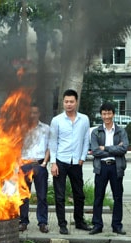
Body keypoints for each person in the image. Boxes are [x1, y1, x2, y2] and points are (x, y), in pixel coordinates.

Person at [49, 89, 91, 235]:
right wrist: (53, 163)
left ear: (76, 102)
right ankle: (62, 224)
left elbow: (86, 139)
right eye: (66, 101)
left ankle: (79, 221)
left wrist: (83, 157)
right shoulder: (57, 120)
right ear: (63, 102)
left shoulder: (84, 119)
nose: (69, 104)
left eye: (71, 101)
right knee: (60, 195)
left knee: (79, 194)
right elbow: (53, 142)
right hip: (60, 161)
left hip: (76, 162)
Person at [89, 102, 128, 235]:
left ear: (113, 114)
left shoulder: (121, 131)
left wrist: (105, 148)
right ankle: (97, 224)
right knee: (98, 197)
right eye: (104, 113)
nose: (107, 116)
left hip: (116, 167)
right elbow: (95, 151)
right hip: (102, 168)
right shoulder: (96, 132)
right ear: (101, 115)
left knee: (118, 197)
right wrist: (114, 149)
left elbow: (124, 149)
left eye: (109, 113)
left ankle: (117, 225)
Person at [19, 104, 50, 233]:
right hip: (25, 165)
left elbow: (50, 147)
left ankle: (42, 222)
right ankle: (23, 221)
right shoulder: (22, 128)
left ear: (39, 114)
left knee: (42, 196)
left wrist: (45, 163)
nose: (33, 115)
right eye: (30, 113)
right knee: (23, 196)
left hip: (40, 165)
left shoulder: (46, 129)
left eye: (35, 113)